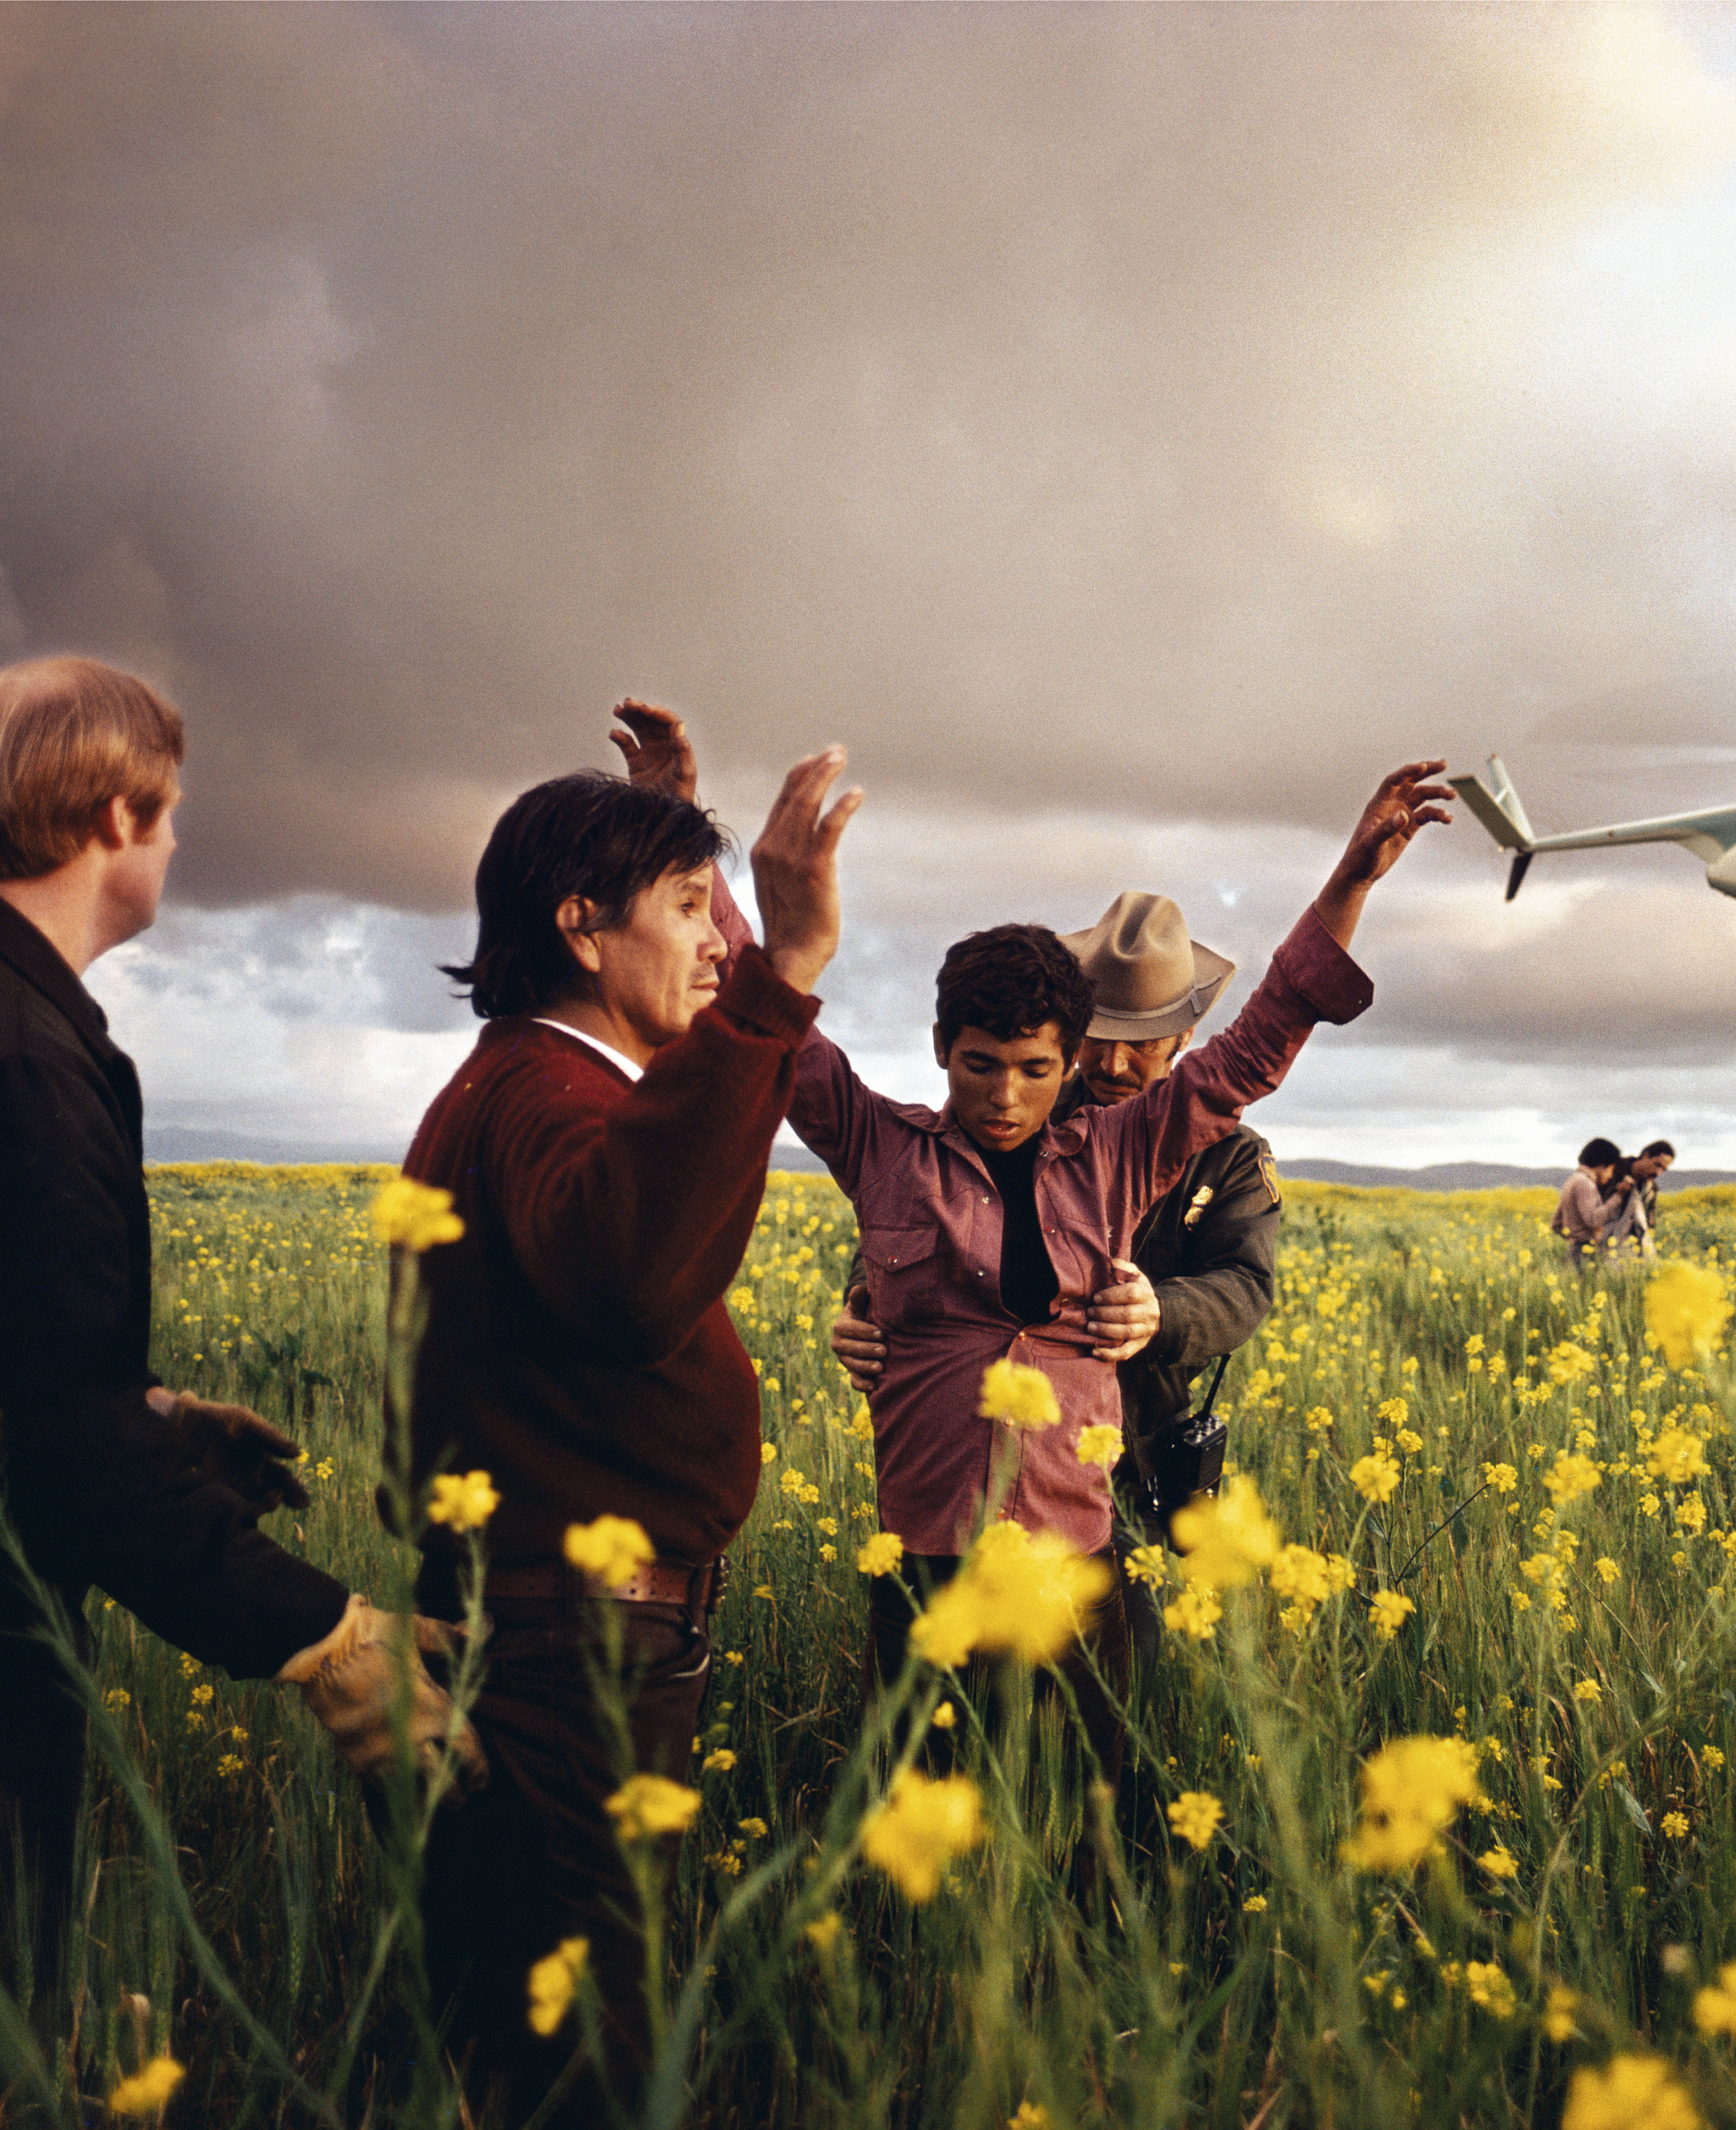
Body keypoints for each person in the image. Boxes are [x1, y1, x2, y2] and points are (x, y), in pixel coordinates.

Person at [0, 656, 452, 2114]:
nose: (178, 843)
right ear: (117, 812)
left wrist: (160, 1419)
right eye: (170, 811)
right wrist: (325, 1635)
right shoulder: (6, 1052)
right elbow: (49, 1444)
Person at [781, 763, 1448, 1771]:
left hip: (1096, 1511)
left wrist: (1349, 882)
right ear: (943, 1050)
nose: (1009, 1094)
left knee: (1097, 1800)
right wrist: (858, 1306)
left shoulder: (1139, 1151)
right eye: (982, 1065)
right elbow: (779, 1044)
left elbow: (1262, 1050)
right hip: (926, 1549)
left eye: (1035, 1068)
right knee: (923, 1795)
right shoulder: (890, 1153)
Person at [398, 702, 857, 2121]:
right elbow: (627, 1268)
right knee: (579, 2060)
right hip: (568, 1656)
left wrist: (673, 825)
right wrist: (781, 968)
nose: (713, 940)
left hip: (560, 1637)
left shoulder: (546, 1082)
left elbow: (649, 1172)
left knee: (542, 2031)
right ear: (582, 926)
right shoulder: (542, 1096)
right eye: (683, 907)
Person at [826, 891, 1282, 1731]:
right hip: (980, 1452)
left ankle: (1096, 1842)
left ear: (1182, 1039)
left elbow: (1247, 1285)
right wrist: (862, 1304)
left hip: (1129, 1445)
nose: (1112, 1063)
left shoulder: (1225, 1153)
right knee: (947, 1704)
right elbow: (913, 1213)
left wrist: (1161, 1313)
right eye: (1099, 1037)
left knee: (1110, 1688)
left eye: (1140, 1040)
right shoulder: (1020, 1101)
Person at [1552, 1138, 1629, 1265]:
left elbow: (1556, 1223)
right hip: (1584, 1252)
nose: (1611, 1176)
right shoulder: (1585, 1184)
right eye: (1611, 1169)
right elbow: (1594, 1220)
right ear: (1602, 1165)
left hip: (1573, 1251)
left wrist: (1573, 1237)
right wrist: (1619, 1196)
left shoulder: (1573, 1180)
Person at [1609, 1138, 1677, 1256]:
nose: (1658, 1173)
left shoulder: (1651, 1189)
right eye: (1657, 1165)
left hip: (1629, 1253)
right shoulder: (1611, 1171)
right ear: (1646, 1156)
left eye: (1663, 1170)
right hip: (1602, 1247)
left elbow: (1649, 1226)